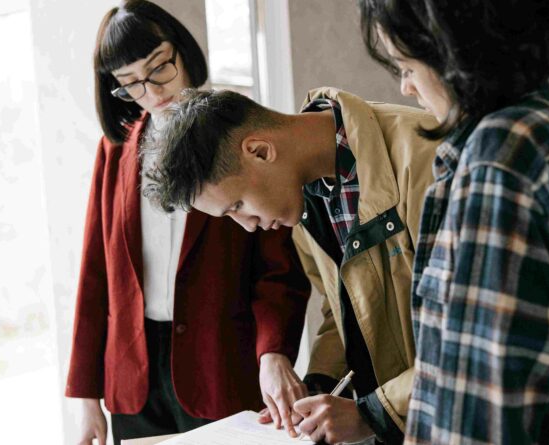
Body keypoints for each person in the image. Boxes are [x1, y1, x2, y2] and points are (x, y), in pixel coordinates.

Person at [358, 0, 549, 443]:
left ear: (454, 50)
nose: (406, 88)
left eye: (406, 65)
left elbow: (480, 413)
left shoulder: (500, 161)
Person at [65, 2, 310, 444]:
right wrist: (86, 396)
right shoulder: (115, 150)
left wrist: (273, 351)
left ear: (182, 51)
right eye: (130, 84)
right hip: (134, 377)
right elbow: (96, 271)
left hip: (218, 367)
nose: (152, 91)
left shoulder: (237, 130)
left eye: (159, 68)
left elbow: (278, 268)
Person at [140, 86, 440, 444]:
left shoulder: (428, 158)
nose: (247, 224)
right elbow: (347, 308)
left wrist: (373, 413)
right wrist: (319, 386)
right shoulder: (303, 199)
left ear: (260, 151)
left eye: (236, 205)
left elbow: (470, 334)